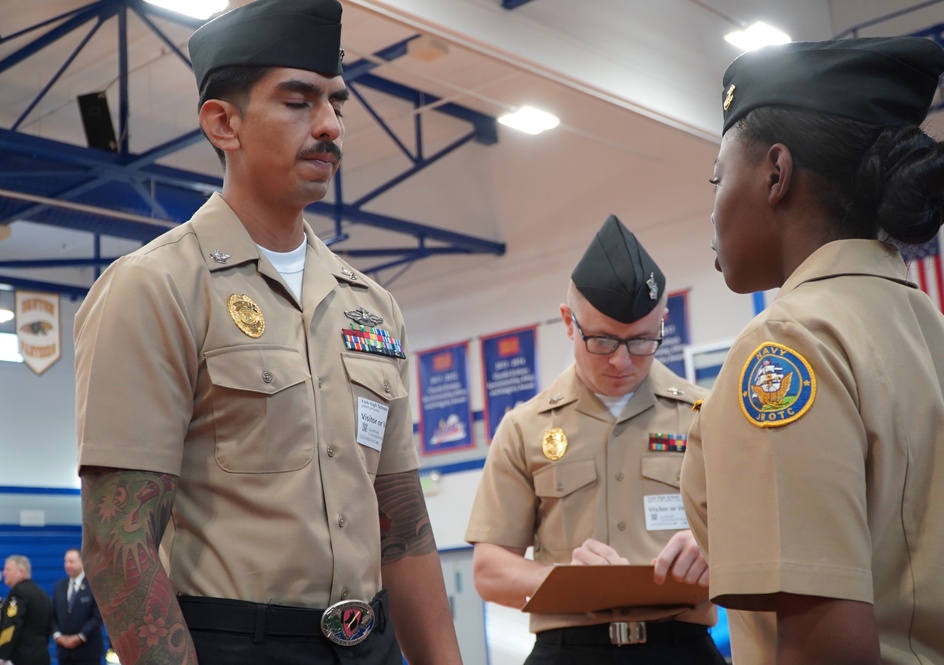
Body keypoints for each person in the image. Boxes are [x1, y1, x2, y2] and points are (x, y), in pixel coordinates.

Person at [73, 1, 462, 663]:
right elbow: (119, 546)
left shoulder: (371, 308)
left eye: (336, 102)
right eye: (298, 101)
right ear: (224, 123)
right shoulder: (158, 286)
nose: (331, 125)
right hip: (235, 646)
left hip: (371, 644)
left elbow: (401, 523)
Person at [680, 37, 944, 664]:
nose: (713, 206)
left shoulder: (787, 346)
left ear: (776, 173)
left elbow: (823, 638)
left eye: (718, 176)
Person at [466, 215, 726, 664]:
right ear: (569, 322)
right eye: (603, 340)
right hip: (569, 650)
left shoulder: (710, 416)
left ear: (663, 321)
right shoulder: (525, 427)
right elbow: (490, 571)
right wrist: (567, 582)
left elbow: (771, 533)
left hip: (681, 648)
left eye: (643, 340)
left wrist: (718, 546)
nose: (623, 361)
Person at [51, 548, 104, 665]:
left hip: (88, 651)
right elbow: (52, 615)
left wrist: (80, 637)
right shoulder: (59, 586)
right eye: (65, 562)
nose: (67, 565)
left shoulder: (94, 585)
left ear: (82, 562)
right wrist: (58, 636)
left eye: (71, 561)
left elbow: (98, 616)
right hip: (64, 653)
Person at [0, 555, 53, 665]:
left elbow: (11, 625)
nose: (4, 573)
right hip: (41, 656)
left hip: (21, 658)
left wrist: (2, 655)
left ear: (21, 572)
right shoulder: (42, 594)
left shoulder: (18, 593)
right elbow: (48, 626)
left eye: (8, 569)